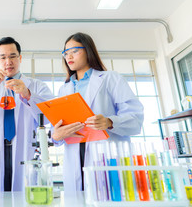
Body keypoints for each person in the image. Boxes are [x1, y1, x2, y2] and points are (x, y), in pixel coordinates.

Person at [52, 32, 144, 193]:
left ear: (88, 50)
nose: (69, 56)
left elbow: (135, 119)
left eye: (74, 51)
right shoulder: (64, 88)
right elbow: (59, 126)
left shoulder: (110, 78)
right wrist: (56, 136)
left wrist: (109, 122)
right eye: (66, 53)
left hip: (105, 155)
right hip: (74, 156)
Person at [0, 37, 54, 191]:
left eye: (13, 56)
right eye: (3, 57)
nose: (8, 62)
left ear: (20, 58)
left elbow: (48, 117)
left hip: (25, 149)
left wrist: (27, 94)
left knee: (22, 195)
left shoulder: (36, 86)